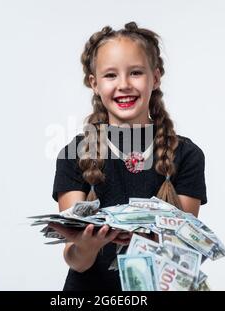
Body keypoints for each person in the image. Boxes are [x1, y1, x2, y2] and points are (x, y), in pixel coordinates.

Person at [50, 21, 207, 291]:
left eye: (135, 73)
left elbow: (182, 252)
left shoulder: (186, 155)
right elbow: (75, 261)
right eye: (110, 75)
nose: (124, 85)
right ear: (94, 83)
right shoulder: (73, 155)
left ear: (155, 78)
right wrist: (86, 246)